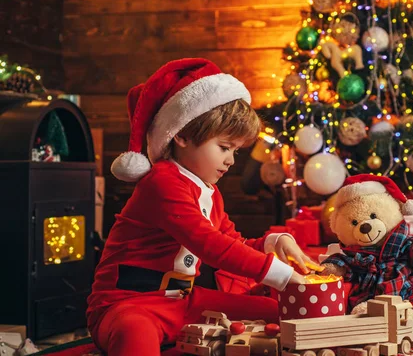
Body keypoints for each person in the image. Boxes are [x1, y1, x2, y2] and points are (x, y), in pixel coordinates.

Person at [87, 58, 313, 355]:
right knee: (134, 331)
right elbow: (209, 244)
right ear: (181, 134)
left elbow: (233, 243)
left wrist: (274, 242)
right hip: (128, 303)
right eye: (223, 147)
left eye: (235, 150)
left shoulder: (209, 191)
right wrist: (280, 275)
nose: (231, 160)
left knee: (273, 311)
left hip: (183, 301)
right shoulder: (163, 182)